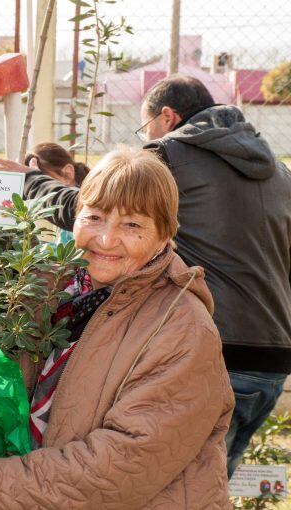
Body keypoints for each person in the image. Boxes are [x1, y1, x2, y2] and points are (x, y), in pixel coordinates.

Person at [0, 148, 234, 510]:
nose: (106, 239)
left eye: (132, 225)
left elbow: (122, 468)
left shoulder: (181, 327)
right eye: (95, 217)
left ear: (165, 234)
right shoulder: (48, 287)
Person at [22, 75, 291, 477]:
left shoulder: (171, 155)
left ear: (167, 117)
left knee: (170, 480)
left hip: (214, 346)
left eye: (144, 125)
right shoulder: (278, 170)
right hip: (274, 353)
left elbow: (99, 209)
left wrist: (29, 182)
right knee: (205, 478)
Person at [0, 142, 89, 244]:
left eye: (44, 180)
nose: (33, 195)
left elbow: (69, 254)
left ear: (68, 173)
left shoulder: (79, 206)